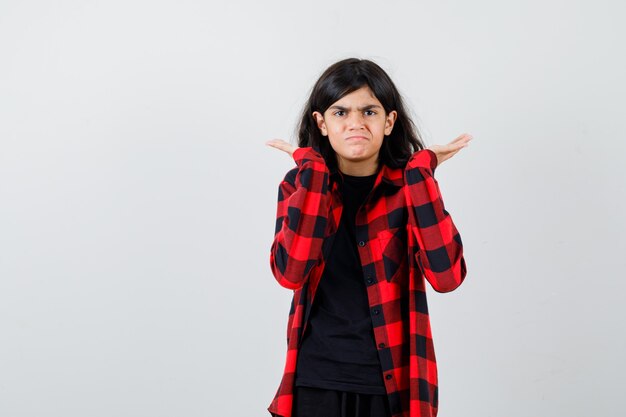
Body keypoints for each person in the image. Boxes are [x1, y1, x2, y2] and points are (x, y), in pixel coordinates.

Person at [265, 58, 471, 417]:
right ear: (322, 123)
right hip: (316, 381)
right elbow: (290, 273)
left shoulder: (410, 188)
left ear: (389, 121)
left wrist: (421, 174)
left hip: (392, 386)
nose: (356, 123)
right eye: (340, 112)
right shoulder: (298, 186)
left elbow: (447, 276)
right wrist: (312, 173)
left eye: (369, 111)